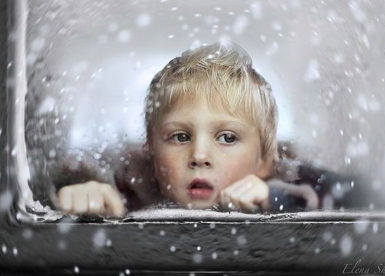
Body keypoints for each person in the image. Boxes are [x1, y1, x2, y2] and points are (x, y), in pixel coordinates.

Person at [54, 41, 320, 217]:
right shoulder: (124, 197)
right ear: (152, 151)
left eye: (227, 137)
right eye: (180, 136)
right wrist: (86, 195)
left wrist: (274, 199)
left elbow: (346, 195)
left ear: (263, 160)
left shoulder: (290, 189)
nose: (199, 155)